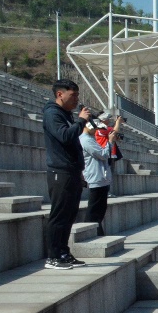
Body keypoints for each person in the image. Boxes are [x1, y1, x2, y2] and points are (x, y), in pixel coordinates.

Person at [42, 79, 92, 269]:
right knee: (60, 215)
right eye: (73, 95)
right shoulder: (52, 114)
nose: (76, 99)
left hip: (71, 171)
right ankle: (54, 256)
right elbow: (65, 136)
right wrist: (81, 121)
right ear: (60, 94)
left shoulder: (65, 114)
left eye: (77, 95)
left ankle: (63, 252)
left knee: (69, 215)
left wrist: (79, 171)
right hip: (60, 171)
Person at [80, 117, 121, 236]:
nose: (97, 130)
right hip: (95, 178)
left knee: (100, 210)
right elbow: (103, 154)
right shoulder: (86, 140)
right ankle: (89, 234)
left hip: (100, 177)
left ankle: (97, 233)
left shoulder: (90, 139)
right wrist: (110, 142)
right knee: (94, 210)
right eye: (96, 128)